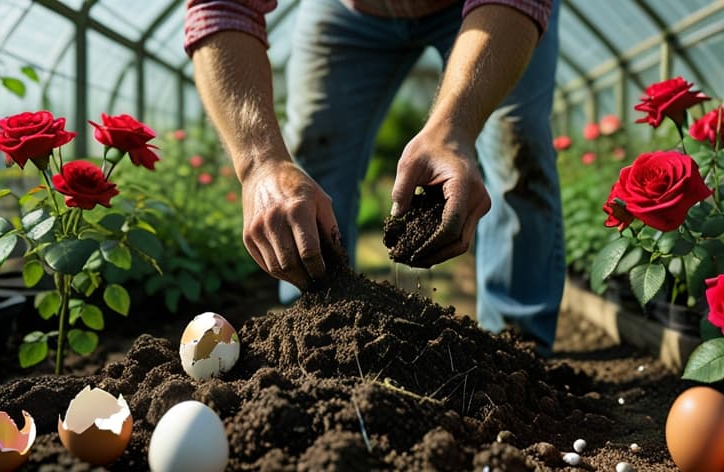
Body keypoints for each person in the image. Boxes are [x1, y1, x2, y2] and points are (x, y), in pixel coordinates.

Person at [185, 0, 564, 354]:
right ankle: (316, 329)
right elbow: (221, 7)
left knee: (518, 146)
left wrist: (455, 130)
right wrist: (259, 163)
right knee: (316, 150)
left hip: (486, 11)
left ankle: (516, 345)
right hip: (347, 11)